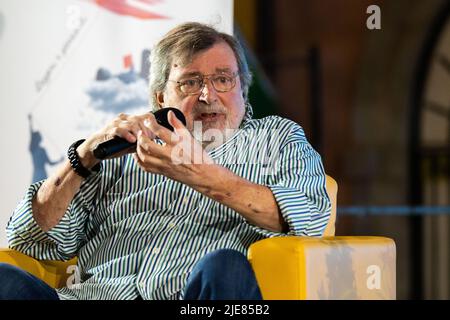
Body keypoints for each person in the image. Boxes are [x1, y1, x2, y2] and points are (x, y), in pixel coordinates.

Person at [1, 22, 331, 300]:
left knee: (226, 268)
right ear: (161, 98)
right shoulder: (121, 151)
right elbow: (29, 240)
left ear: (243, 91)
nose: (207, 95)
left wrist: (201, 174)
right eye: (190, 82)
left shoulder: (276, 139)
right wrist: (84, 155)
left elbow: (309, 215)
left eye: (223, 79)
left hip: (193, 297)